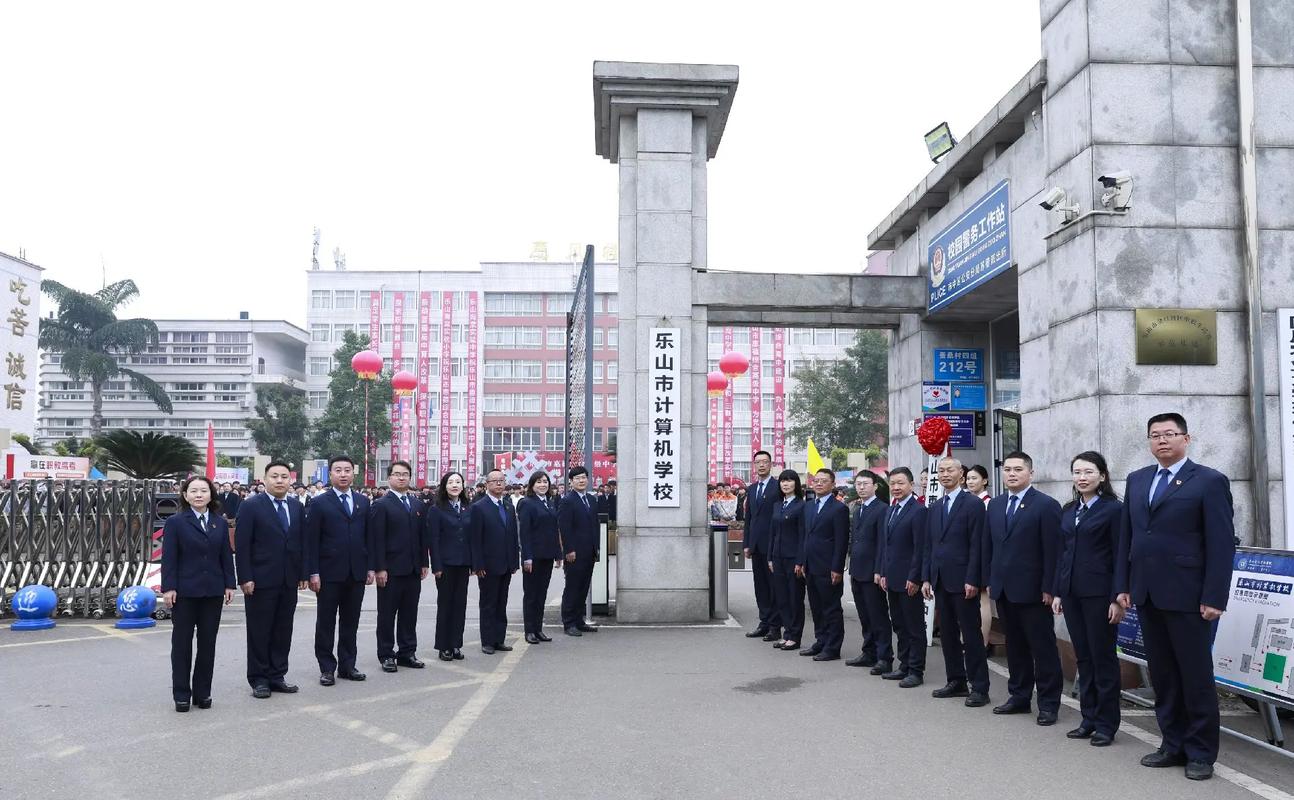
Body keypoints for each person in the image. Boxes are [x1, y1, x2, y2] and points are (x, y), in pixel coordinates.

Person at [1116, 413, 1235, 781]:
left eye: (1170, 434)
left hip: (1189, 595)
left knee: (1195, 676)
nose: (1162, 441)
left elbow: (1220, 543)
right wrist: (1123, 584)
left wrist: (1215, 595)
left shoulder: (1209, 481)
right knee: (1163, 675)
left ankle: (1201, 752)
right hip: (1147, 593)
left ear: (1187, 438)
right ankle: (1172, 743)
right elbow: (1128, 537)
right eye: (1155, 435)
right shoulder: (1138, 480)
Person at [985, 451, 1063, 726]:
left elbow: (1053, 551)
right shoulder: (995, 505)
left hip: (1034, 591)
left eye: (1018, 469)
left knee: (1042, 648)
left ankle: (1049, 703)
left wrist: (1049, 587)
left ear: (1031, 473)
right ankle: (1019, 696)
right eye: (1007, 469)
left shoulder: (1045, 505)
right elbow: (991, 546)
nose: (1012, 474)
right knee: (1015, 646)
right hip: (1004, 589)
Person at [1053, 451, 1124, 747]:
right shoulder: (1069, 510)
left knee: (1102, 658)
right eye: (1077, 472)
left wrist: (1116, 598)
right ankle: (1089, 718)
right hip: (1072, 594)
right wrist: (1058, 590)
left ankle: (1107, 724)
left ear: (1102, 476)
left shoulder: (1114, 510)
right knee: (1084, 656)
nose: (1082, 478)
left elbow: (1121, 556)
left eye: (1088, 472)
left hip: (1099, 595)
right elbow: (1062, 553)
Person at [161, 476, 235, 712]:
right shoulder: (175, 523)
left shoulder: (219, 523)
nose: (199, 495)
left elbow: (226, 556)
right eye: (193, 491)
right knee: (181, 644)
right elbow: (169, 558)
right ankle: (181, 694)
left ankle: (203, 693)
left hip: (212, 591)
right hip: (184, 592)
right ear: (185, 495)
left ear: (211, 495)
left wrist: (229, 585)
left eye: (204, 491)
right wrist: (169, 588)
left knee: (207, 644)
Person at [922, 457, 991, 707]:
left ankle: (980, 686)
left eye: (950, 470)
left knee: (970, 635)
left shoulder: (973, 505)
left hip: (964, 582)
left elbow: (977, 545)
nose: (945, 474)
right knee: (948, 635)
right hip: (940, 580)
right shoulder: (936, 506)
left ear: (961, 474)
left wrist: (974, 578)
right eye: (941, 470)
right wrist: (927, 577)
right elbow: (929, 546)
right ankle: (956, 681)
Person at [235, 460, 308, 699]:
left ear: (290, 480)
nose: (279, 481)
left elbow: (300, 542)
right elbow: (243, 545)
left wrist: (302, 574)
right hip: (260, 580)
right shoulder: (251, 506)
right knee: (259, 630)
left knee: (282, 629)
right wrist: (245, 576)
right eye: (274, 476)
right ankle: (259, 678)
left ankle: (277, 675)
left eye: (284, 477)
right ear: (265, 479)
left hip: (288, 579)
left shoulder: (297, 506)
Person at [304, 455, 372, 687]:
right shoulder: (319, 503)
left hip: (356, 573)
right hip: (328, 573)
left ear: (354, 473)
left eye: (347, 470)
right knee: (326, 622)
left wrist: (370, 567)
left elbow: (368, 538)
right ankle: (326, 667)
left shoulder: (363, 501)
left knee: (351, 622)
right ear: (330, 475)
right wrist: (313, 572)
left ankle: (347, 665)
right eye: (338, 470)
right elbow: (311, 541)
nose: (343, 474)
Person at [368, 460, 428, 672]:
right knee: (386, 614)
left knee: (409, 613)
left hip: (413, 569)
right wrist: (380, 568)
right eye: (397, 474)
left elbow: (422, 538)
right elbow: (377, 539)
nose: (401, 478)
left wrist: (423, 563)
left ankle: (407, 652)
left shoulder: (418, 504)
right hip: (391, 570)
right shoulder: (381, 504)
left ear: (410, 478)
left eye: (405, 474)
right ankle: (386, 654)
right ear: (389, 477)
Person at [876, 467, 928, 687]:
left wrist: (915, 577)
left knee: (914, 627)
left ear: (911, 484)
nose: (896, 488)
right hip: (893, 578)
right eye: (893, 484)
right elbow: (886, 546)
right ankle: (904, 665)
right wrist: (884, 573)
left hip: (909, 579)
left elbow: (920, 547)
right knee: (899, 624)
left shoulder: (918, 511)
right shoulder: (891, 510)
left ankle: (916, 670)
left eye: (901, 483)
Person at [797, 468, 849, 662]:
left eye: (823, 481)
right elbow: (804, 536)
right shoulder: (808, 506)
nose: (818, 483)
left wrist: (837, 567)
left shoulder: (839, 508)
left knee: (831, 608)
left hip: (828, 567)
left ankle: (833, 647)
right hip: (810, 566)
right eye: (816, 480)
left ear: (832, 484)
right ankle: (821, 640)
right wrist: (802, 561)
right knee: (816, 608)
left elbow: (841, 541)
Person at [469, 469, 520, 654]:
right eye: (494, 481)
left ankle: (499, 639)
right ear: (487, 484)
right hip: (488, 565)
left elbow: (513, 535)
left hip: (506, 564)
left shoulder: (508, 505)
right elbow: (475, 539)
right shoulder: (479, 507)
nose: (499, 484)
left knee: (501, 603)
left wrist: (514, 561)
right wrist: (478, 564)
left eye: (501, 481)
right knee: (489, 603)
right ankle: (488, 641)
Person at [847, 470, 892, 674]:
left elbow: (883, 543)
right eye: (858, 484)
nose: (861, 487)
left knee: (878, 615)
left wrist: (879, 570)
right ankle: (869, 652)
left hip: (873, 572)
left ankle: (884, 657)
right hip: (857, 569)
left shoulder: (882, 509)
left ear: (875, 486)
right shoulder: (858, 509)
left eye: (865, 483)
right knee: (864, 615)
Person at [427, 472, 472, 662]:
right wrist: (436, 565)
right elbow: (433, 540)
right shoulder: (437, 509)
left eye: (458, 482)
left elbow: (472, 538)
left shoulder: (468, 508)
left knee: (460, 605)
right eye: (451, 482)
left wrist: (473, 563)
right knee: (445, 605)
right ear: (444, 486)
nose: (455, 485)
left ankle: (455, 644)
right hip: (445, 565)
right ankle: (443, 645)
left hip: (463, 564)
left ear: (463, 486)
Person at [742, 451, 782, 642]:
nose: (761, 465)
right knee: (761, 587)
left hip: (773, 546)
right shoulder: (752, 489)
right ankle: (764, 622)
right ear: (754, 465)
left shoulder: (778, 487)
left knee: (774, 587)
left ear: (771, 464)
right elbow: (749, 518)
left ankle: (775, 627)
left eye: (765, 462)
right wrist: (747, 544)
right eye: (758, 462)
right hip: (756, 546)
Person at [518, 471, 561, 644]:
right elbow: (525, 533)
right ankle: (529, 631)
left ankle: (538, 629)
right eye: (538, 482)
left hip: (547, 556)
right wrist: (526, 557)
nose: (542, 485)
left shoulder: (550, 503)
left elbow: (554, 530)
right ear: (532, 485)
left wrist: (558, 554)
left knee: (542, 594)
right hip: (533, 557)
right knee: (531, 595)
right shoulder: (527, 503)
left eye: (545, 482)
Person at [558, 466, 600, 636]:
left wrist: (596, 548)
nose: (581, 481)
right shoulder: (567, 500)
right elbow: (564, 527)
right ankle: (569, 623)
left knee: (583, 587)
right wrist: (568, 550)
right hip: (574, 553)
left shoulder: (591, 500)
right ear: (571, 482)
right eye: (577, 478)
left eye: (583, 477)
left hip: (588, 551)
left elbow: (594, 526)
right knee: (572, 588)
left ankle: (579, 620)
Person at [768, 469, 807, 651]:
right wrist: (769, 557)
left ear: (796, 484)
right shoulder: (777, 505)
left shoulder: (802, 506)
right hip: (777, 557)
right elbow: (773, 533)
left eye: (790, 481)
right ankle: (787, 634)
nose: (786, 484)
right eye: (783, 481)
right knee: (781, 597)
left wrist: (800, 561)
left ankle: (795, 636)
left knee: (795, 598)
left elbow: (803, 536)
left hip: (793, 559)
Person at [965, 463, 995, 649]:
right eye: (968, 479)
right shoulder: (967, 501)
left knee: (983, 599)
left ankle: (983, 642)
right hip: (966, 557)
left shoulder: (989, 503)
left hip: (983, 555)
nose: (970, 482)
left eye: (974, 478)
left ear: (985, 481)